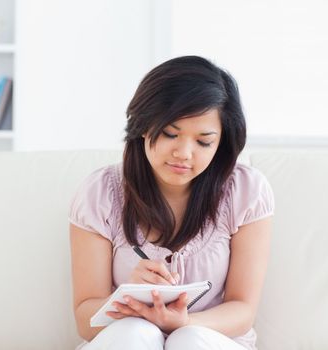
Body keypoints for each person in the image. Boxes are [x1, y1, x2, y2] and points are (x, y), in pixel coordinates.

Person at [69, 56, 274, 350]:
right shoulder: (100, 193)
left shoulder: (246, 191)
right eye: (170, 134)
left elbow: (243, 309)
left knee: (187, 341)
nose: (184, 153)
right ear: (142, 125)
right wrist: (128, 297)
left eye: (204, 142)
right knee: (135, 333)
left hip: (209, 339)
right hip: (126, 341)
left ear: (221, 142)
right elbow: (85, 321)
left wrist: (184, 323)